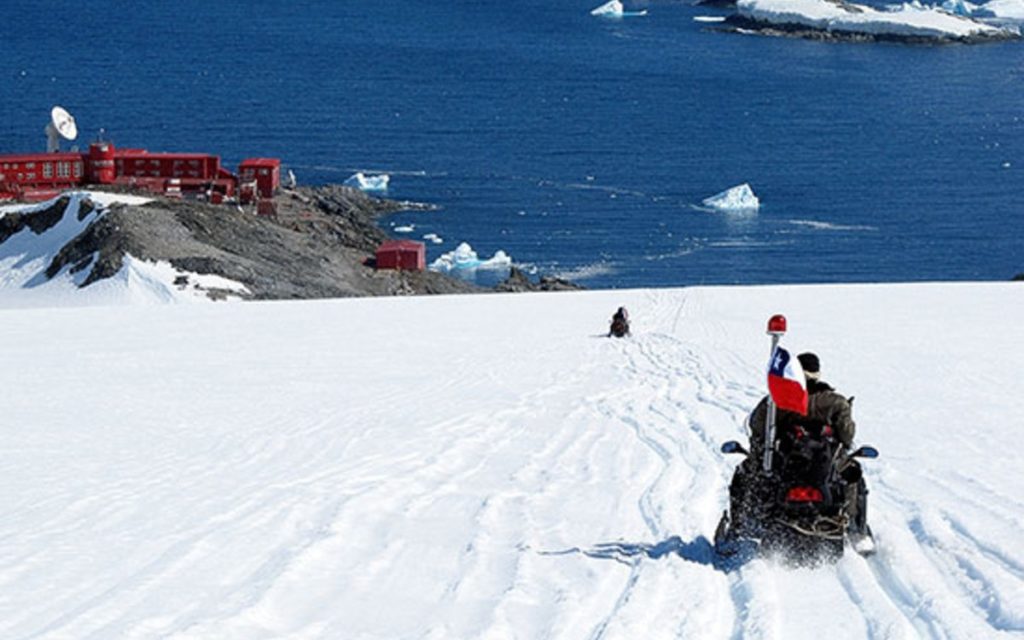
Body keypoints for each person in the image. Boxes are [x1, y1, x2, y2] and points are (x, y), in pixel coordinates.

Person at [728, 352, 870, 537]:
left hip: (785, 465)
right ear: (817, 373)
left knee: (746, 472)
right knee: (852, 474)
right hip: (823, 467)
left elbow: (757, 426)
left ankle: (739, 526)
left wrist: (761, 447)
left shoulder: (777, 401)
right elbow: (847, 436)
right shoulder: (836, 402)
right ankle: (856, 531)